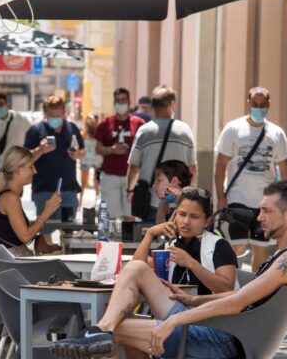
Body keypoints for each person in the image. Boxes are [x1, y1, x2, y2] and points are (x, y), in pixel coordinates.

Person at [50, 181, 287, 359]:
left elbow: (238, 301)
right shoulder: (283, 257)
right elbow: (242, 297)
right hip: (218, 329)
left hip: (227, 340)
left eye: (266, 211)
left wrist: (175, 319)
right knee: (138, 269)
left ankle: (96, 330)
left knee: (115, 333)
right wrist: (193, 299)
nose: (259, 216)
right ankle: (99, 328)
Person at [215, 87, 287, 272]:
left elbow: (284, 169)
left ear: (269, 105)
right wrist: (220, 197)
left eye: (263, 105)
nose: (259, 108)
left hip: (266, 203)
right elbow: (220, 165)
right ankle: (234, 288)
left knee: (261, 249)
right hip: (237, 199)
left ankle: (254, 291)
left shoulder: (276, 133)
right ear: (248, 103)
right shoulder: (233, 129)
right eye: (255, 104)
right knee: (238, 248)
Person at [131, 187, 238, 295]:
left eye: (194, 217)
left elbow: (227, 289)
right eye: (182, 214)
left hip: (209, 309)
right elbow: (136, 268)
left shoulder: (219, 246)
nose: (186, 221)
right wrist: (150, 234)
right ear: (175, 215)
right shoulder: (172, 245)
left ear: (207, 221)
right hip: (173, 307)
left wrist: (190, 263)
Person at [126, 85, 198, 222]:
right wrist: (186, 195)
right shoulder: (184, 130)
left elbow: (133, 167)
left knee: (151, 240)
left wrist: (129, 190)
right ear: (172, 104)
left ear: (153, 106)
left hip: (150, 202)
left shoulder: (144, 131)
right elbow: (193, 168)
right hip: (178, 205)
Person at [24, 95, 86, 238]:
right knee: (45, 233)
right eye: (51, 116)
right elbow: (25, 158)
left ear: (64, 113)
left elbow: (82, 151)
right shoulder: (35, 130)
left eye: (58, 115)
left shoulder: (72, 128)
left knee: (68, 232)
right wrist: (40, 150)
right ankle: (47, 259)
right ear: (45, 113)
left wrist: (77, 154)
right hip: (44, 189)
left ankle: (67, 258)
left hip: (69, 189)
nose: (55, 118)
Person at [0, 146, 62, 256]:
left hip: (12, 262)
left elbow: (18, 235)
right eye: (31, 167)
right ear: (18, 169)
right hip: (12, 265)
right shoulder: (9, 198)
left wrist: (38, 239)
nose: (35, 171)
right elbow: (25, 236)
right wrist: (47, 212)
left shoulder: (9, 196)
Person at [94, 88, 146, 218]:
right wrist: (112, 150)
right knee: (110, 215)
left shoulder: (139, 123)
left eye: (123, 100)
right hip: (110, 175)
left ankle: (128, 238)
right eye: (117, 101)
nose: (120, 103)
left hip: (131, 176)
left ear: (129, 102)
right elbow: (98, 148)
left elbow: (145, 148)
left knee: (130, 214)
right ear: (114, 103)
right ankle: (113, 238)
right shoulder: (106, 123)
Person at [0, 92, 31, 186]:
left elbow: (31, 135)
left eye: (1, 104)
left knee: (15, 197)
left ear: (7, 104)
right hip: (0, 169)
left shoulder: (20, 119)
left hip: (17, 168)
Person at [79, 114, 103, 207]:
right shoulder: (97, 135)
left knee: (83, 183)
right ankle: (96, 200)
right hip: (95, 160)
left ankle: (80, 203)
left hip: (86, 160)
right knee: (96, 181)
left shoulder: (84, 135)